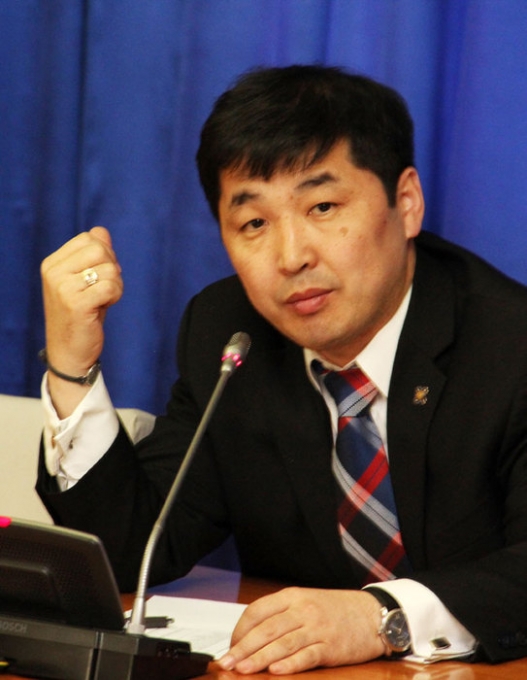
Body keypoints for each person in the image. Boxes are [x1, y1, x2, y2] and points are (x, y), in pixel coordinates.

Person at [37, 65, 527, 675]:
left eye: (322, 206)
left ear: (405, 203)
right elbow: (133, 551)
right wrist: (72, 366)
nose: (291, 257)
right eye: (254, 223)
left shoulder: (509, 345)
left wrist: (382, 616)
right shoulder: (228, 335)